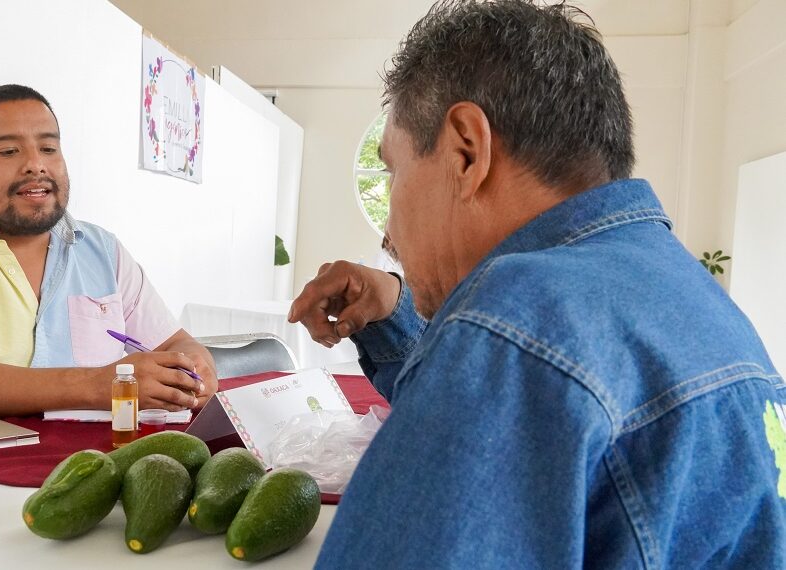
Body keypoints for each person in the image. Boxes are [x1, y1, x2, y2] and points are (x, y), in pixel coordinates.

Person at [289, 1, 786, 567]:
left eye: (393, 171)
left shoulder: (515, 321)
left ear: (465, 151)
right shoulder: (696, 303)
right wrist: (394, 311)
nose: (388, 230)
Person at [0, 84, 218, 417]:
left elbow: (174, 342)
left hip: (79, 464)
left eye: (49, 148)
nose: (36, 164)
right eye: (8, 151)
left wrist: (197, 369)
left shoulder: (103, 250)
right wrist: (101, 384)